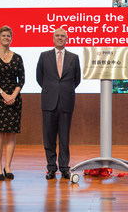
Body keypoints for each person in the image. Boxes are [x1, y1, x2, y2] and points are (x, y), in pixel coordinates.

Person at [36, 28, 81, 180]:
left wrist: (63, 91)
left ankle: (64, 168)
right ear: (53, 38)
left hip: (66, 101)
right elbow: (39, 78)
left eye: (63, 36)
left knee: (64, 137)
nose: (60, 38)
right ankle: (50, 168)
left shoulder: (74, 58)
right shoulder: (44, 56)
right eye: (57, 36)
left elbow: (77, 80)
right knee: (48, 136)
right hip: (49, 101)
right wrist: (52, 90)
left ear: (66, 38)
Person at [0, 25, 25, 181]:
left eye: (9, 36)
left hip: (14, 99)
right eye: (4, 36)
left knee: (11, 133)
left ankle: (8, 167)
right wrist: (3, 94)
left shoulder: (17, 57)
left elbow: (21, 79)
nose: (7, 38)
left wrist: (12, 96)